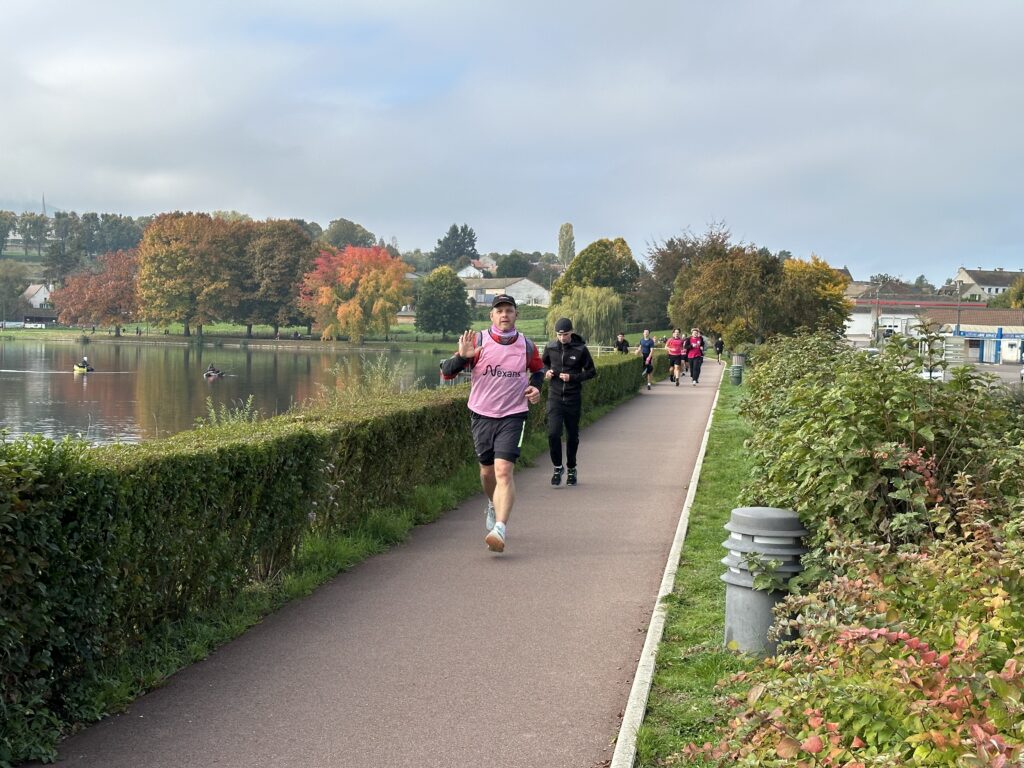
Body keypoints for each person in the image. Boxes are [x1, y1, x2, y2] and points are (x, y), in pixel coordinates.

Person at [440, 294, 544, 553]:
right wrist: (463, 358)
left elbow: (539, 370)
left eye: (509, 310)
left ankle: (500, 527)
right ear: (492, 316)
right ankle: (492, 502)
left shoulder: (527, 346)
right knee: (487, 472)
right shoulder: (478, 341)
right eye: (499, 311)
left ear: (516, 314)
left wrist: (535, 387)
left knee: (503, 471)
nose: (504, 315)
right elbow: (446, 372)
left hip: (513, 414)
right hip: (482, 414)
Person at [543, 317, 596, 488]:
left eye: (565, 334)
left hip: (573, 398)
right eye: (559, 334)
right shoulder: (550, 348)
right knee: (553, 433)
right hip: (555, 397)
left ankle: (571, 468)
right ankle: (558, 467)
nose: (562, 338)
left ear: (571, 332)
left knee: (572, 436)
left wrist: (573, 378)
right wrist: (546, 372)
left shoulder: (581, 349)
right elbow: (542, 366)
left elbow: (591, 372)